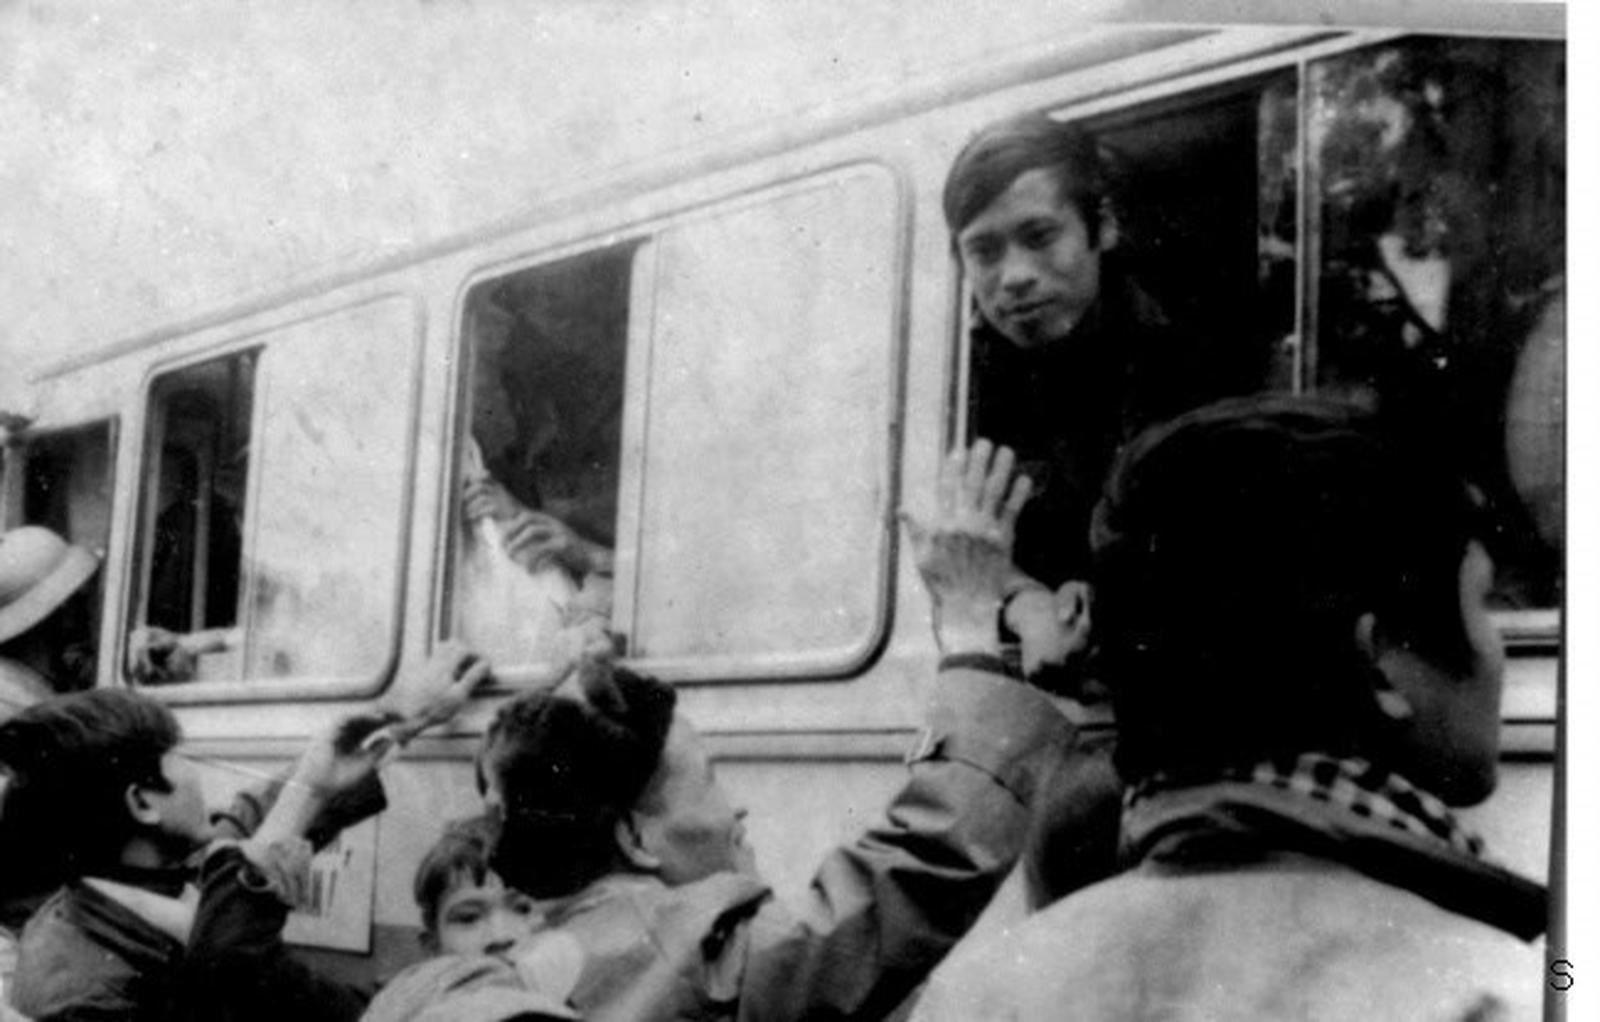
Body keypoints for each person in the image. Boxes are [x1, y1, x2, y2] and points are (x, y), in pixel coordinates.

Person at [376, 440, 1072, 1022]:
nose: (734, 810)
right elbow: (927, 863)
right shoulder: (700, 961)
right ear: (634, 839)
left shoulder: (487, 976)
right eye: (707, 784)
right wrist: (970, 627)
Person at [911, 395, 1548, 1020]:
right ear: (1380, 665)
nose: (1495, 651)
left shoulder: (976, 996)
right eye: (1482, 605)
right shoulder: (1506, 995)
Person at [1, 646, 490, 1022]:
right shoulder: (80, 998)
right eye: (180, 757)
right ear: (143, 803)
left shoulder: (135, 877)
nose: (198, 777)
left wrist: (397, 719)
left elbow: (253, 820)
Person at [944, 111, 1243, 678]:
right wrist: (1026, 601)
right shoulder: (956, 383)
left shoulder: (1192, 364)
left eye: (1039, 237)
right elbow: (950, 549)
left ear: (1102, 227)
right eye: (984, 251)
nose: (1014, 276)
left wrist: (1111, 596)